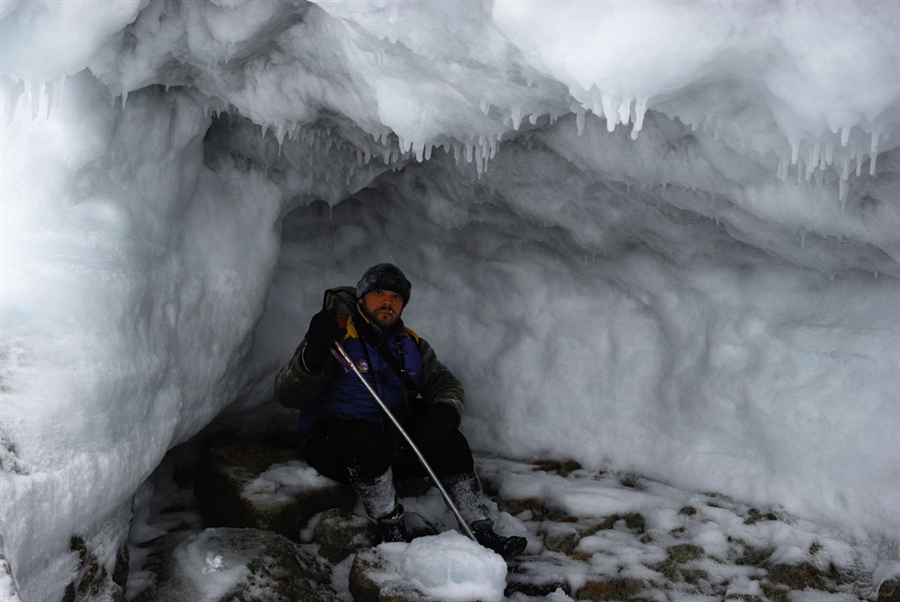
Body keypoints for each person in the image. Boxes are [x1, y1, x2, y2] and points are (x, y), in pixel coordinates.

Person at [275, 263, 526, 558]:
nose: (387, 302)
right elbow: (287, 394)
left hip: (386, 441)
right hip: (334, 446)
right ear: (361, 299)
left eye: (395, 297)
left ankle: (481, 529)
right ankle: (391, 528)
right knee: (364, 439)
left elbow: (445, 384)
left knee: (451, 441)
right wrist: (314, 352)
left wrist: (444, 414)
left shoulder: (411, 344)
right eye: (378, 293)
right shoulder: (336, 337)